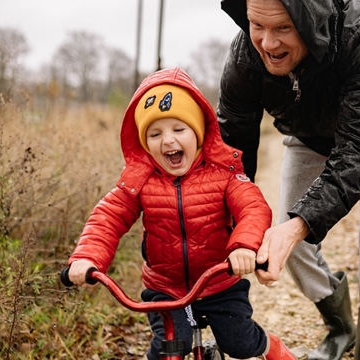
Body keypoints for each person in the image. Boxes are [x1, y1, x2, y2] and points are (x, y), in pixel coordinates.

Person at [217, 0, 360, 359]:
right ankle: (340, 328)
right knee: (286, 234)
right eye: (257, 26)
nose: (267, 43)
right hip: (308, 135)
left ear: (310, 20)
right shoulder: (244, 57)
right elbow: (233, 154)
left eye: (282, 28)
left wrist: (299, 225)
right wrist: (225, 226)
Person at [66, 67, 295, 360]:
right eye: (155, 133)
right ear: (144, 142)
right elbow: (107, 218)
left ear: (198, 133)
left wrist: (243, 247)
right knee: (170, 349)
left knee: (239, 342)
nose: (168, 141)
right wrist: (87, 257)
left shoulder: (223, 174)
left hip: (220, 282)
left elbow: (253, 208)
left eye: (179, 129)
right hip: (166, 288)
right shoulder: (140, 180)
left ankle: (272, 348)